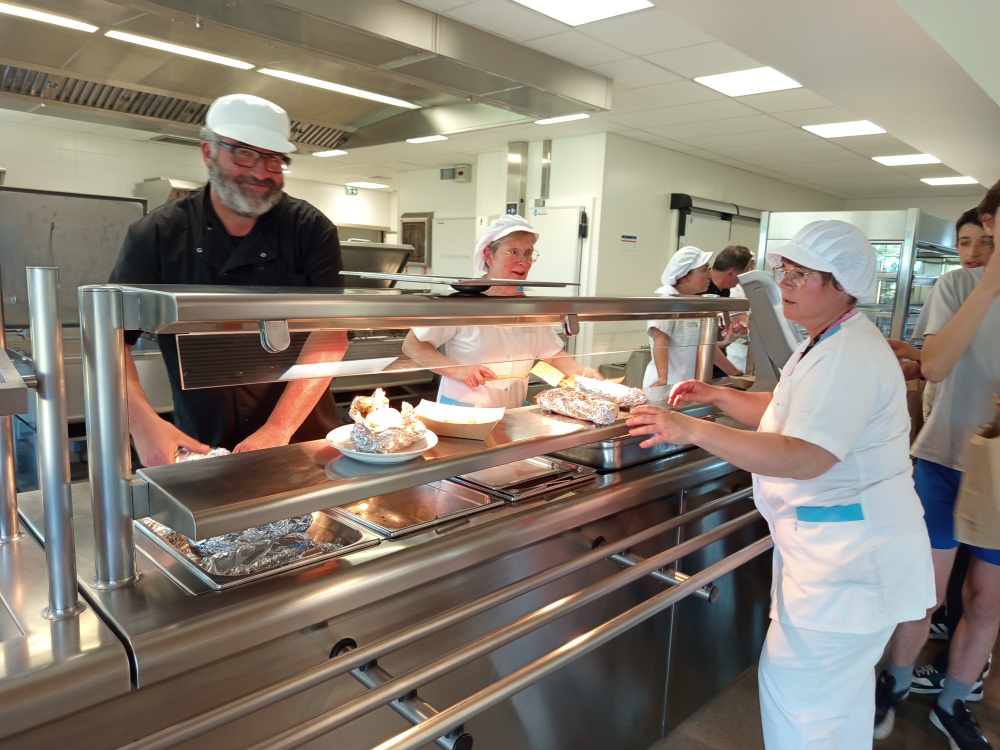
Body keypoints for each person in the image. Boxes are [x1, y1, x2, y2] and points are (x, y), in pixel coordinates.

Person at [627, 220, 935, 749]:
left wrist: (692, 429)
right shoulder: (827, 339)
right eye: (785, 270)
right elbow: (788, 409)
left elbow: (805, 454)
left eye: (801, 275)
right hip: (838, 561)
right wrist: (719, 396)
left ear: (842, 285)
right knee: (835, 710)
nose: (785, 283)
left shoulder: (848, 355)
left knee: (803, 711)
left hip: (850, 568)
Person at [110, 94, 348, 466]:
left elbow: (331, 333)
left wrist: (278, 428)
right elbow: (110, 340)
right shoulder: (156, 234)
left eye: (274, 158)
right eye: (244, 153)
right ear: (208, 152)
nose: (260, 172)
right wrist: (141, 424)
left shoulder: (311, 229)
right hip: (202, 437)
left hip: (300, 432)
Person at [875, 189, 1000, 750]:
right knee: (924, 592)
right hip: (944, 458)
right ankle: (897, 680)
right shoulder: (957, 285)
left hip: (997, 474)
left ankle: (953, 702)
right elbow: (936, 364)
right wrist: (990, 282)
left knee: (985, 601)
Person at [401, 215, 602, 408]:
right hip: (464, 412)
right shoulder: (461, 302)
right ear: (489, 255)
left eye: (528, 253)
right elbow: (413, 346)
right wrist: (457, 371)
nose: (524, 261)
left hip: (511, 414)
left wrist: (582, 373)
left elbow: (552, 355)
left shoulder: (530, 308)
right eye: (514, 251)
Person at [643, 246, 742, 389]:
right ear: (685, 276)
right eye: (704, 269)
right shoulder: (668, 295)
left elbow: (707, 346)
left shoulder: (693, 302)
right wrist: (662, 378)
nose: (710, 275)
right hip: (666, 384)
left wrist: (734, 373)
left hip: (686, 384)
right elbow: (661, 339)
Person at [705, 244, 754, 373]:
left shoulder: (725, 289)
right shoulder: (702, 289)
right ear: (731, 273)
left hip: (718, 360)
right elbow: (701, 342)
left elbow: (724, 323)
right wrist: (733, 371)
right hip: (702, 361)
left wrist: (734, 331)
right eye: (745, 272)